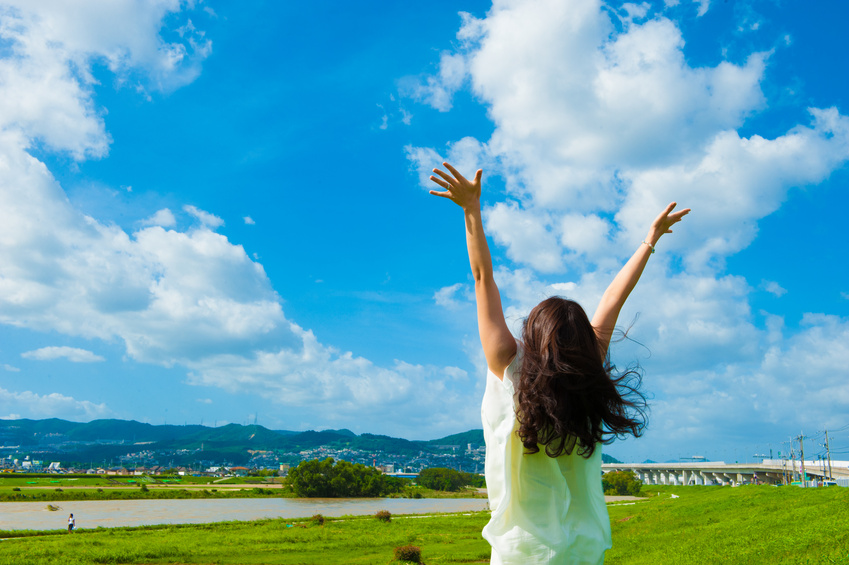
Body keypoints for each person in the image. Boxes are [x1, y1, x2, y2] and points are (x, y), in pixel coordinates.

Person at [429, 163, 689, 564]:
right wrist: (649, 241)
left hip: (523, 552)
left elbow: (483, 279)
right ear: (584, 343)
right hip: (583, 550)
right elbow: (612, 301)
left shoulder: (510, 367)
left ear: (533, 334)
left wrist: (471, 209)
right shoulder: (587, 377)